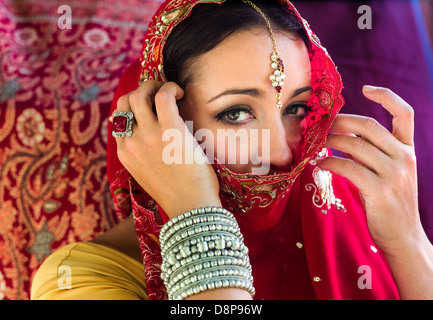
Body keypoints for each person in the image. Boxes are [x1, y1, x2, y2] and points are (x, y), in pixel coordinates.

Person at [31, 0, 433, 300]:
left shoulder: (347, 209)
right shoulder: (85, 279)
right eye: (236, 113)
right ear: (161, 122)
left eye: (296, 109)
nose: (280, 152)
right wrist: (195, 211)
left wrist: (407, 239)